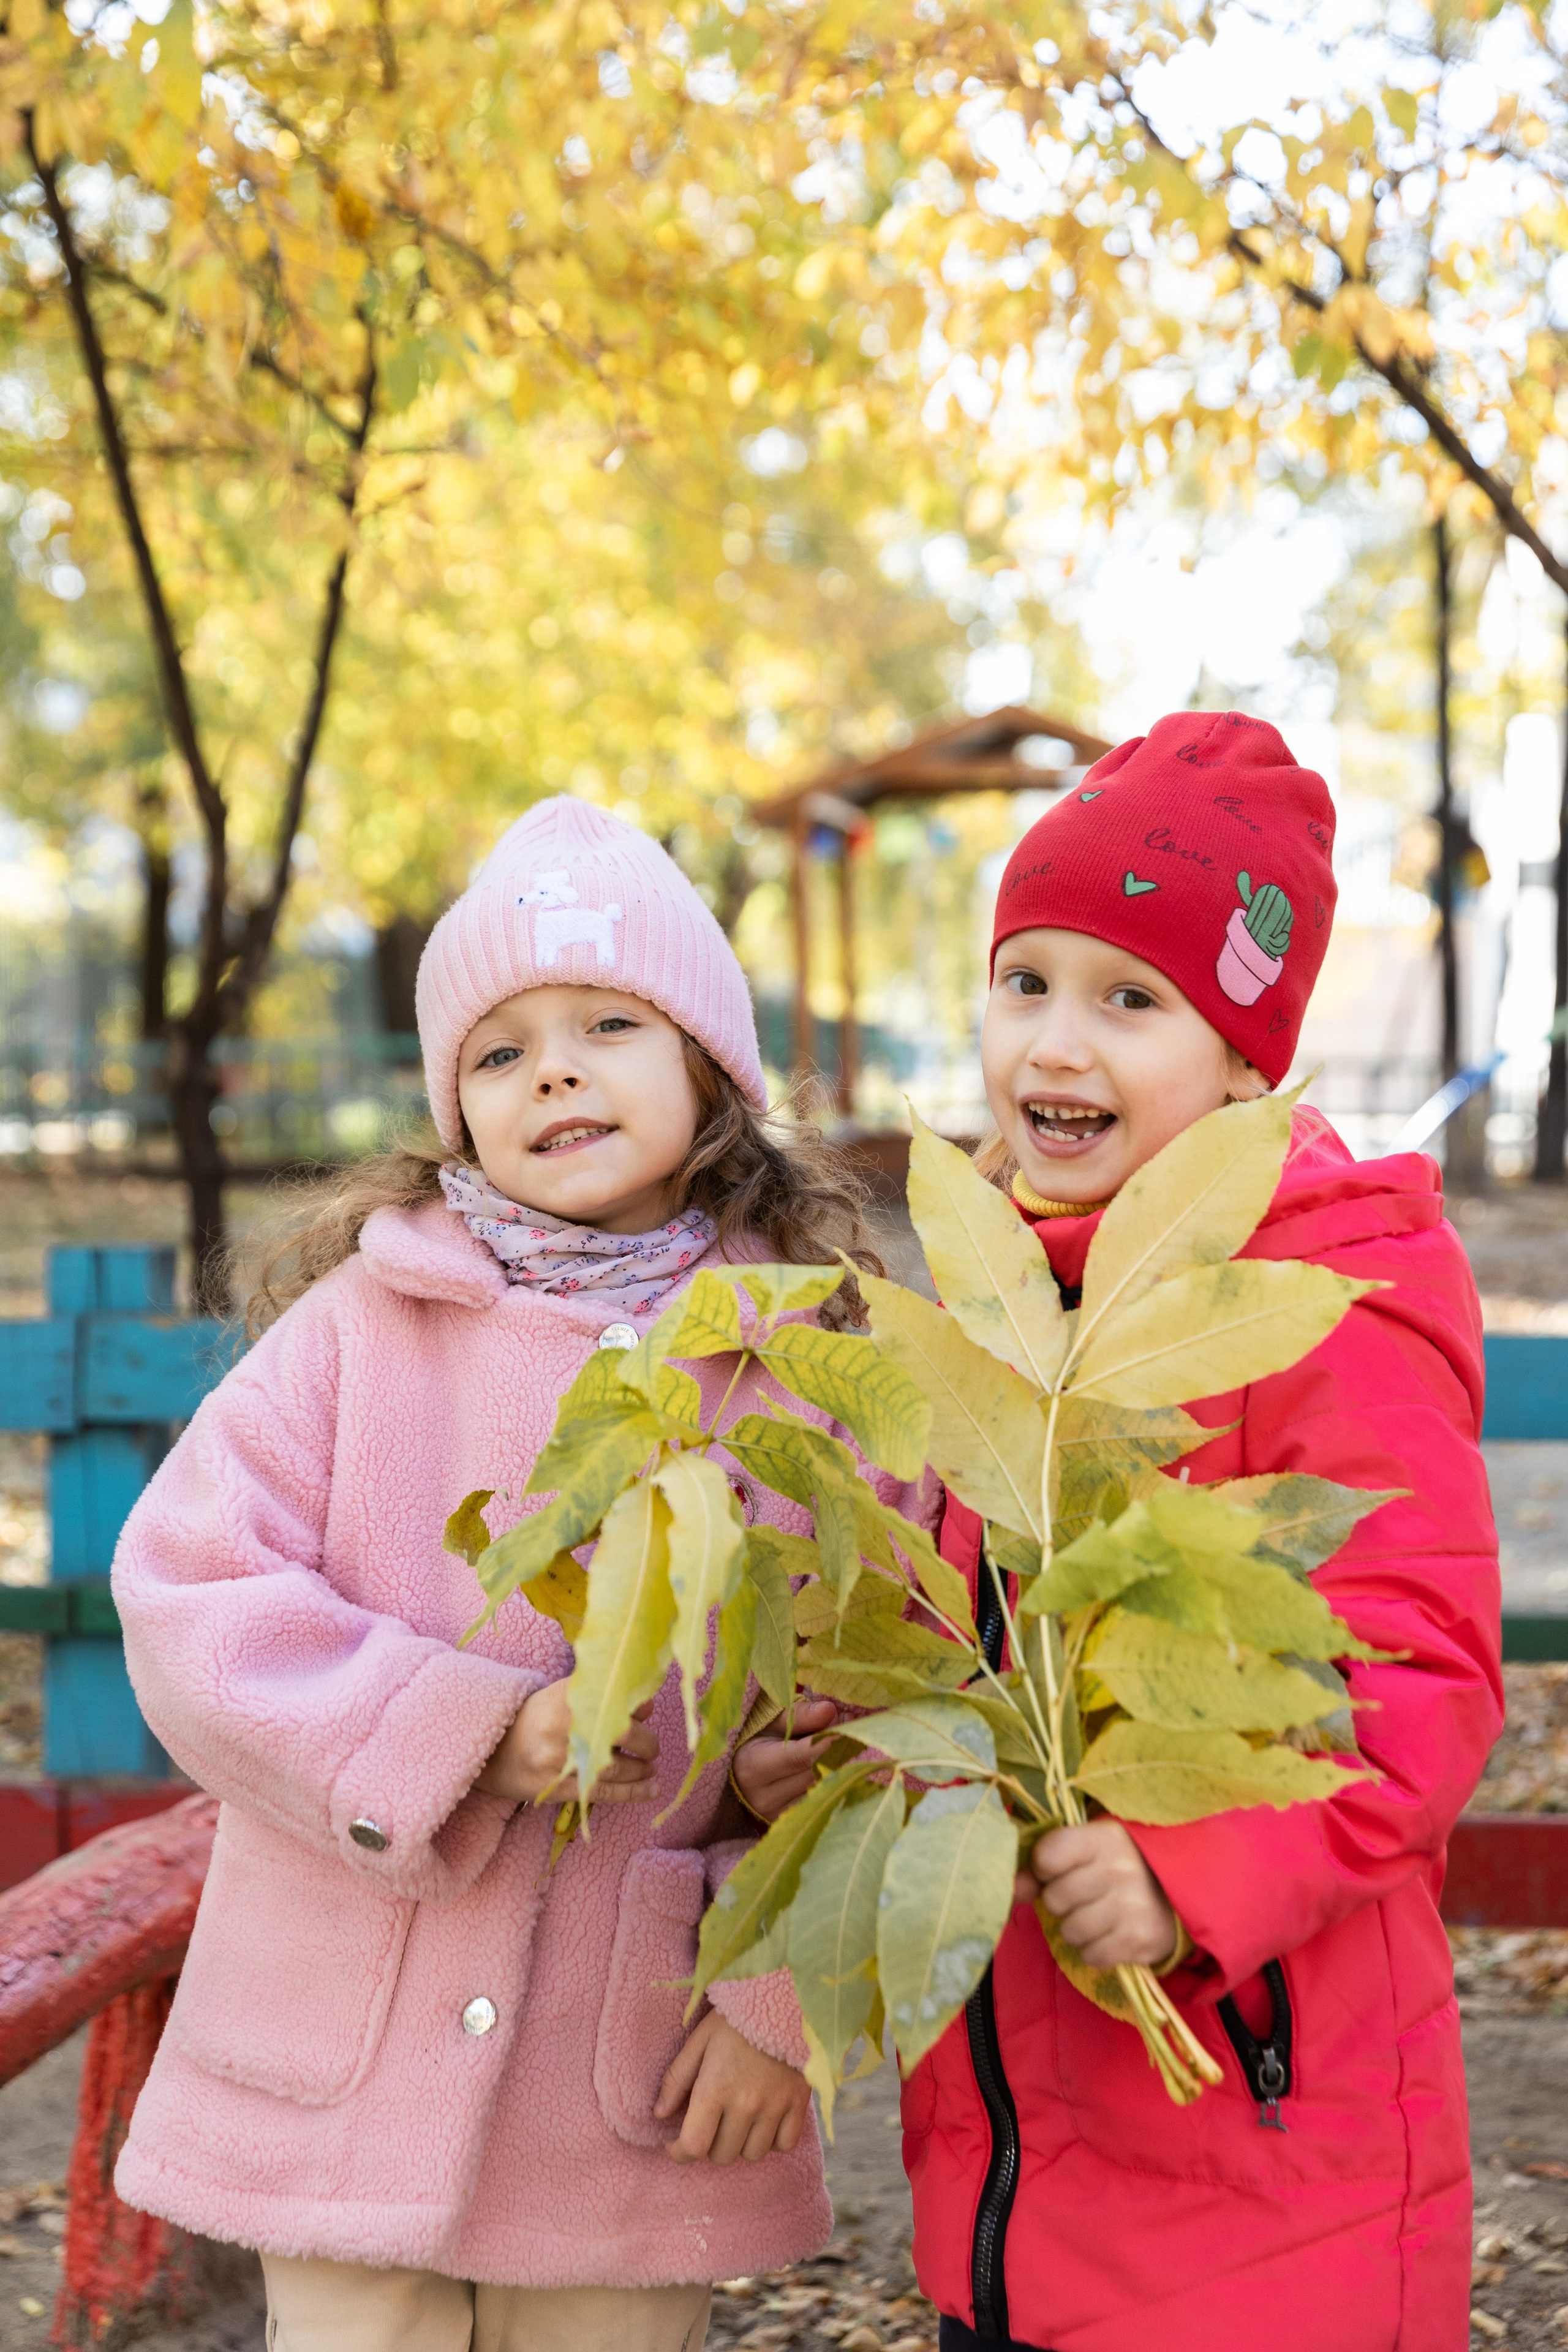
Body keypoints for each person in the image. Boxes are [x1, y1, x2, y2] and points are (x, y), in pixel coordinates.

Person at [110, 796, 926, 2352]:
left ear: (710, 1071)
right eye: (499, 1049)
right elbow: (192, 1599)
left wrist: (778, 2002)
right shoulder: (359, 1333)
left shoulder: (821, 1372)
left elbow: (893, 1719)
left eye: (610, 1022)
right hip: (341, 2051)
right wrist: (469, 1732)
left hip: (630, 2074)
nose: (553, 1066)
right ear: (452, 1109)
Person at [896, 710, 1501, 2352]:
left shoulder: (1323, 1305)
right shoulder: (1010, 1298)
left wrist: (1194, 1867)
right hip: (1022, 2189)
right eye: (1027, 982)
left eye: (1130, 1000)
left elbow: (1418, 1675)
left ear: (1246, 1061)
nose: (1054, 1046)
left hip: (1262, 2202)